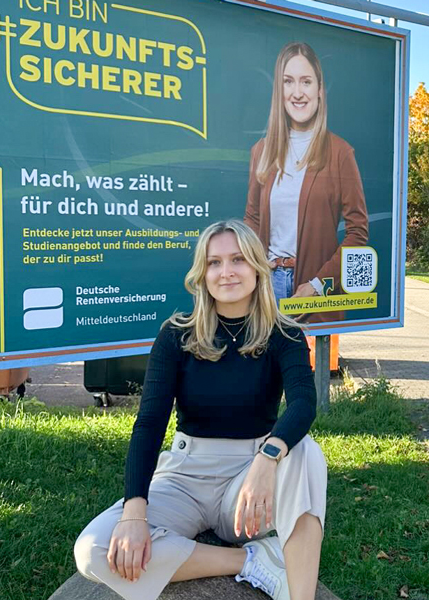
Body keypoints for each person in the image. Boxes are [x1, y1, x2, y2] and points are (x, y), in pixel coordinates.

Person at [73, 220, 327, 600]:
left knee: (306, 450)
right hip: (184, 477)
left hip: (249, 485)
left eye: (238, 260)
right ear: (202, 274)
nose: (226, 272)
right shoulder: (175, 335)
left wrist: (267, 459)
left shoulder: (284, 334)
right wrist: (133, 514)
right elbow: (149, 425)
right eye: (214, 262)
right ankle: (249, 560)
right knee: (93, 550)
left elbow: (305, 403)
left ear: (258, 268)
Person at [245, 41, 368, 322]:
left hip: (313, 291)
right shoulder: (261, 151)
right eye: (289, 81)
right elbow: (251, 218)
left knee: (310, 366)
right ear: (280, 90)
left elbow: (357, 233)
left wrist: (317, 286)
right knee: (264, 365)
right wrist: (255, 271)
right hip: (266, 288)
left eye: (306, 81)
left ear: (320, 90)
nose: (298, 92)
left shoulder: (340, 153)